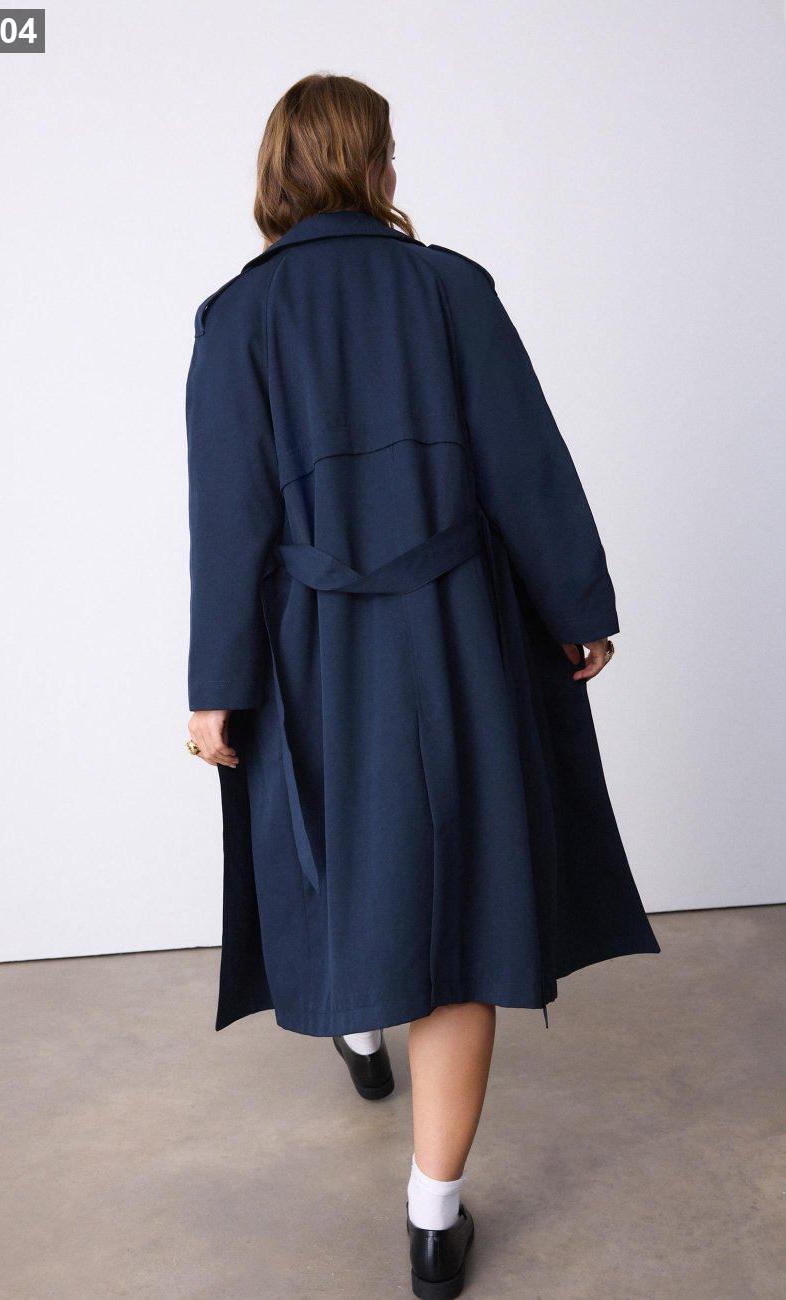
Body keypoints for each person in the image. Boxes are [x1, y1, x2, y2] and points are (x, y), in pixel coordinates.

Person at [185, 73, 659, 1299]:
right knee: (465, 914)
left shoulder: (236, 319)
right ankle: (434, 1219)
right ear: (379, 167)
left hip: (313, 652)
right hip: (456, 638)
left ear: (277, 173)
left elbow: (228, 522)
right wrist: (579, 604)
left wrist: (215, 686)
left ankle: (357, 1018)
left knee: (348, 861)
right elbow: (526, 462)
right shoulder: (452, 287)